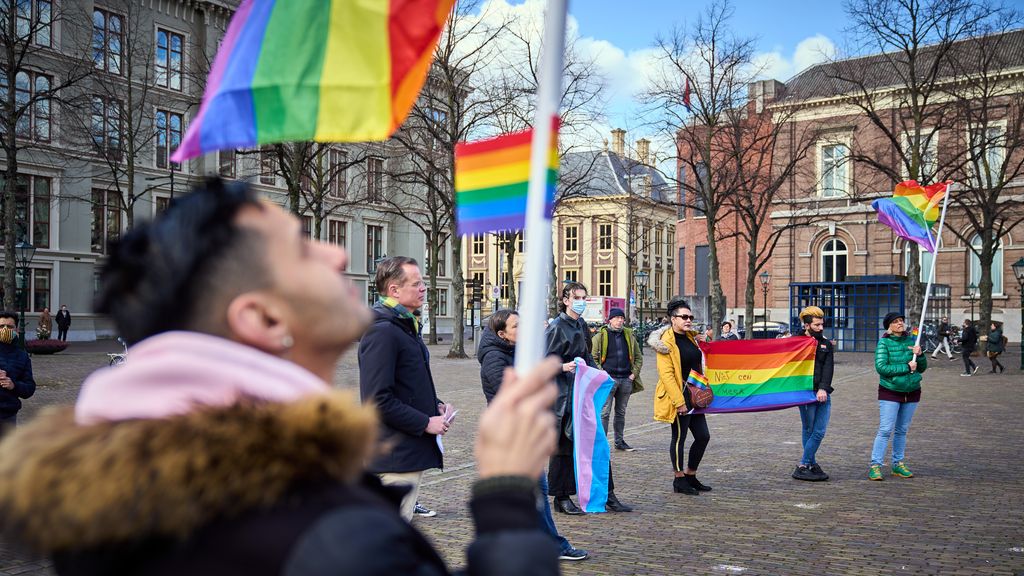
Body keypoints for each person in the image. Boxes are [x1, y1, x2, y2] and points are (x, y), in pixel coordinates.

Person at [0, 179, 560, 575]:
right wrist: (507, 498)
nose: (337, 257)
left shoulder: (136, 503)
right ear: (263, 317)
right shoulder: (321, 532)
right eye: (301, 248)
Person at [478, 309, 588, 561]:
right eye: (517, 326)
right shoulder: (495, 358)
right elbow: (511, 391)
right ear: (502, 334)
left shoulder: (516, 351)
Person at [358, 256, 448, 522]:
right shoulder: (383, 331)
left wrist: (436, 405)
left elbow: (405, 384)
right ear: (394, 290)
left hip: (405, 453)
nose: (424, 289)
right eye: (416, 283)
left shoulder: (403, 326)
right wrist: (425, 422)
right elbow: (377, 400)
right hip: (394, 457)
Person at [545, 282, 632, 514]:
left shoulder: (581, 325)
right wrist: (563, 367)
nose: (581, 302)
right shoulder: (555, 328)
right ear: (565, 300)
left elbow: (586, 356)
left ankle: (606, 493)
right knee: (563, 448)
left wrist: (601, 376)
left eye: (584, 297)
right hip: (562, 400)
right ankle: (561, 497)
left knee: (597, 443)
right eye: (577, 298)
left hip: (582, 395)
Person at [649, 298, 712, 496]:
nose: (688, 320)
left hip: (696, 394)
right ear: (672, 319)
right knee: (679, 438)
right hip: (678, 395)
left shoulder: (692, 337)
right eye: (684, 317)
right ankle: (679, 479)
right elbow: (666, 375)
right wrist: (679, 402)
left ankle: (691, 474)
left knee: (703, 436)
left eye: (690, 317)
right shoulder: (665, 342)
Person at [869, 312, 927, 481]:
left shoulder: (912, 342)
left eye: (901, 320)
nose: (900, 323)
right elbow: (881, 367)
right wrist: (906, 367)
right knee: (886, 429)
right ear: (889, 326)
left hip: (912, 391)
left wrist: (921, 354)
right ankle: (875, 465)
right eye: (895, 322)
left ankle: (898, 464)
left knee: (902, 430)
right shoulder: (884, 343)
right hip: (891, 391)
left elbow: (921, 367)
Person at [791, 306, 834, 482]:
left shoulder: (825, 343)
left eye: (821, 324)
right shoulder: (796, 341)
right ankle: (808, 464)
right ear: (806, 325)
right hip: (805, 393)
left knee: (819, 431)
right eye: (816, 325)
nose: (820, 328)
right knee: (809, 429)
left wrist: (823, 388)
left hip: (822, 391)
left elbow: (828, 367)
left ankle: (805, 463)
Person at [591, 307, 643, 451]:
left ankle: (619, 442)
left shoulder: (629, 336)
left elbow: (638, 357)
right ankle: (601, 443)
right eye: (617, 318)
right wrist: (603, 375)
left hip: (626, 379)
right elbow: (593, 358)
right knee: (604, 413)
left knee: (621, 412)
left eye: (622, 318)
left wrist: (633, 374)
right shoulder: (600, 337)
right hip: (608, 381)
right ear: (610, 320)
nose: (620, 321)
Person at [0, 312, 35, 440]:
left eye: (9, 327)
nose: (4, 330)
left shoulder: (22, 356)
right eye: (1, 326)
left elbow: (29, 388)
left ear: (16, 329)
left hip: (8, 416)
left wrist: (13, 385)